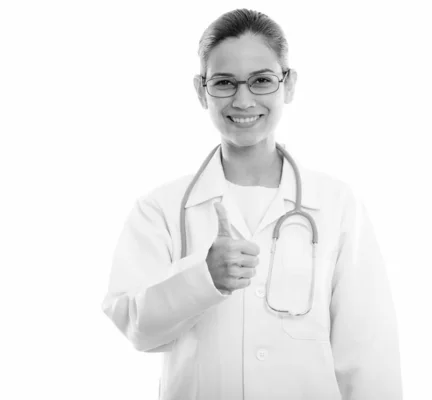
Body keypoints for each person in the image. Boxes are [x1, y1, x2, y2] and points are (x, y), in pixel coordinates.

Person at [101, 8, 402, 400]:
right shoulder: (160, 209)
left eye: (261, 81)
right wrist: (202, 277)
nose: (243, 100)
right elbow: (136, 328)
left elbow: (368, 353)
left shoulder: (336, 204)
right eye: (224, 82)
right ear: (200, 90)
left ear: (288, 85)